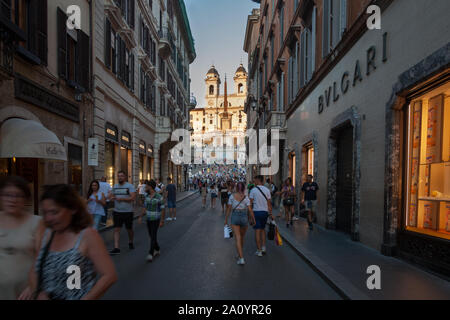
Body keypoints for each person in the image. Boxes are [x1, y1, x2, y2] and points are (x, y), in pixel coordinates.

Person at [23, 184, 117, 300]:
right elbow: (35, 270)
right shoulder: (47, 233)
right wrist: (38, 292)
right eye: (45, 213)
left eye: (54, 212)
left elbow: (109, 276)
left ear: (73, 209)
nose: (48, 218)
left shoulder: (87, 236)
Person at [0, 176, 43, 300]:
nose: (12, 200)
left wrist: (32, 286)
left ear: (25, 199)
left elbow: (41, 258)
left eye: (18, 195)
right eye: (7, 195)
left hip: (24, 291)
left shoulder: (37, 222)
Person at [224, 182, 255, 266]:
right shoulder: (246, 198)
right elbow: (250, 210)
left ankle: (241, 258)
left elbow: (229, 209)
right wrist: (253, 219)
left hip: (235, 216)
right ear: (244, 188)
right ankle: (239, 254)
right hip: (244, 216)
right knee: (242, 237)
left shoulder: (232, 196)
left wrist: (226, 220)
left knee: (237, 238)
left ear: (237, 188)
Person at [109, 171, 137, 255]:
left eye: (121, 176)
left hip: (128, 212)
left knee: (129, 229)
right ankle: (116, 247)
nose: (120, 177)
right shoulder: (115, 186)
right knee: (116, 229)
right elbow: (111, 195)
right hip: (117, 211)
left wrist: (122, 199)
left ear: (125, 177)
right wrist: (111, 198)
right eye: (118, 176)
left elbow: (133, 198)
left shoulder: (130, 186)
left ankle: (131, 241)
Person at [139, 180, 165, 262]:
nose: (145, 187)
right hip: (148, 219)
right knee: (151, 235)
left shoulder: (158, 197)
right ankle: (157, 248)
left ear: (150, 187)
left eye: (146, 186)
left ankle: (151, 253)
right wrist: (140, 216)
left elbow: (163, 209)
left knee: (153, 235)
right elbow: (144, 207)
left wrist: (162, 221)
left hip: (156, 219)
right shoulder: (146, 196)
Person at [249, 175, 273, 257]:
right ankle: (263, 247)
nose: (254, 182)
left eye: (254, 180)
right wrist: (271, 214)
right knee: (263, 229)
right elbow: (269, 203)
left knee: (257, 231)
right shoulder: (267, 190)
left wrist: (250, 215)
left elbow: (250, 204)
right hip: (265, 212)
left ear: (257, 180)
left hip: (256, 212)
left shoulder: (253, 190)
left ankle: (259, 250)